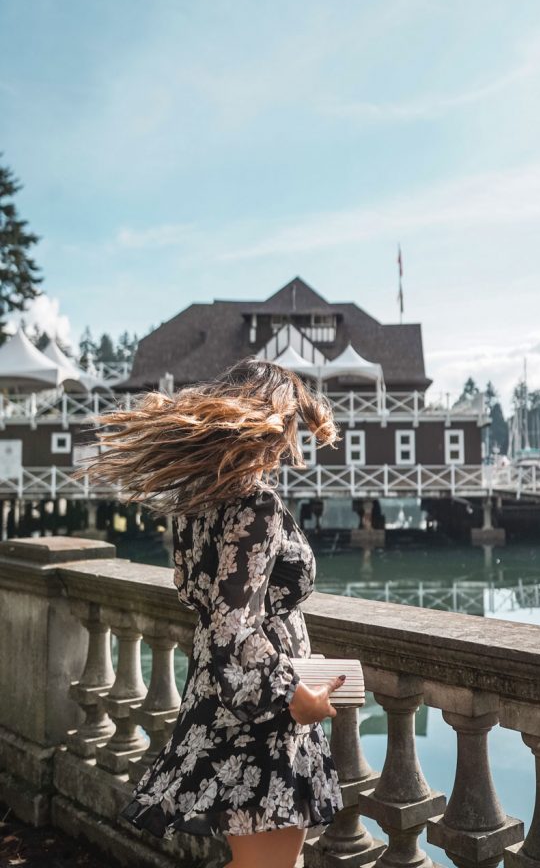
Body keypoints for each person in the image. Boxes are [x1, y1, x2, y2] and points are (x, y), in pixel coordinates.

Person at [79, 358, 344, 868]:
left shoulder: (195, 499)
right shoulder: (257, 506)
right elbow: (234, 628)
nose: (292, 437)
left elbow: (198, 597)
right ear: (271, 420)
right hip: (262, 713)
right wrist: (296, 697)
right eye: (291, 422)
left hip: (214, 695)